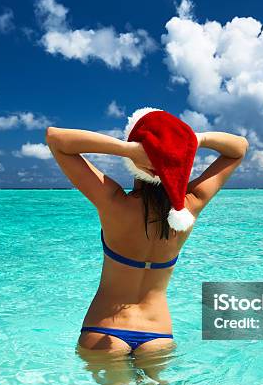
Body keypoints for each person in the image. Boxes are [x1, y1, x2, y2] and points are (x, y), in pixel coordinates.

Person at [46, 107, 248, 357]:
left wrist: (128, 149)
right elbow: (239, 148)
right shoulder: (190, 205)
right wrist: (193, 140)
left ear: (136, 163)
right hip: (158, 334)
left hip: (104, 330)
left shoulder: (113, 201)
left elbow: (55, 138)